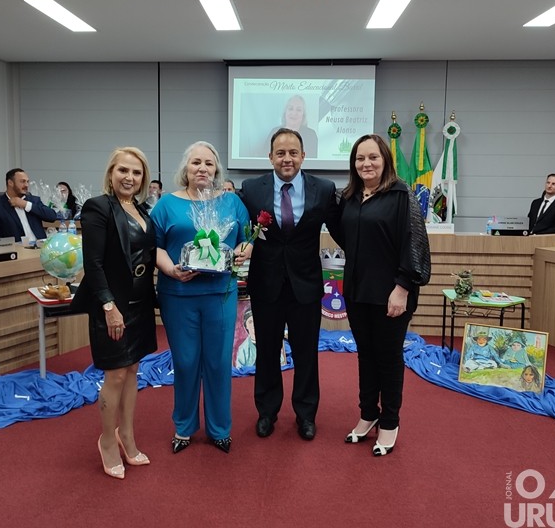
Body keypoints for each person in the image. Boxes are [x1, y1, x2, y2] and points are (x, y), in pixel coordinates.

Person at [240, 128, 340, 441]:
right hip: (266, 283)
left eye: (293, 152)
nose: (287, 158)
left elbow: (342, 229)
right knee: (267, 351)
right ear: (270, 157)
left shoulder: (323, 189)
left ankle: (306, 415)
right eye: (280, 153)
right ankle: (267, 412)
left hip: (306, 286)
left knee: (306, 352)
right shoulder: (251, 189)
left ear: (303, 156)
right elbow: (241, 231)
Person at [150, 141, 250, 454]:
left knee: (219, 362)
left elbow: (248, 240)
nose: (202, 168)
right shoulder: (166, 204)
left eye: (208, 163)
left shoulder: (232, 203)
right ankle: (184, 426)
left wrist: (241, 253)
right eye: (196, 163)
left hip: (220, 294)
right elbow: (153, 246)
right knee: (186, 361)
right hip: (178, 294)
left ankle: (220, 429)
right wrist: (170, 270)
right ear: (186, 169)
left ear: (217, 170)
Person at [338, 134, 431, 457]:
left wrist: (402, 288)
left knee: (389, 358)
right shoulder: (349, 197)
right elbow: (345, 236)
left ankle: (389, 421)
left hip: (392, 292)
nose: (366, 164)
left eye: (373, 157)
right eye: (360, 158)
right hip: (357, 291)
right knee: (366, 355)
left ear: (385, 160)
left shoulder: (402, 194)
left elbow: (415, 244)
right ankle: (368, 414)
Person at [71, 147, 157, 480]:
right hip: (112, 305)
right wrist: (109, 306)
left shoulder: (143, 209)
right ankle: (107, 440)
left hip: (140, 303)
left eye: (136, 173)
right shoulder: (97, 207)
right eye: (123, 170)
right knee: (116, 375)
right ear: (111, 173)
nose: (129, 178)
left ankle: (127, 435)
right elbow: (92, 263)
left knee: (133, 370)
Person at [0, 168, 57, 240]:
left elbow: (52, 216)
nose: (26, 185)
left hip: (39, 248)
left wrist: (26, 205)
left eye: (27, 182)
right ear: (10, 183)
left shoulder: (33, 200)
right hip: (16, 249)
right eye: (22, 181)